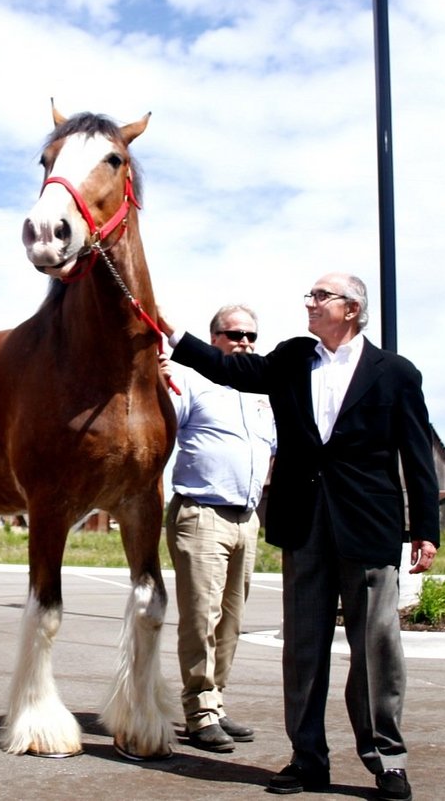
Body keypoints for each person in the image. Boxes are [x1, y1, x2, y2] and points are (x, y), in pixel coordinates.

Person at [158, 273, 439, 801]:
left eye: (320, 296)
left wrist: (425, 527)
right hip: (304, 523)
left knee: (377, 649)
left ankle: (387, 759)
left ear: (351, 309)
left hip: (370, 527)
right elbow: (228, 368)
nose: (309, 303)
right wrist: (174, 334)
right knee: (303, 650)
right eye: (310, 295)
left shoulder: (396, 373)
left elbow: (416, 455)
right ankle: (308, 759)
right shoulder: (291, 358)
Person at [163, 305, 276, 753]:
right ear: (214, 339)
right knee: (201, 620)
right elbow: (159, 431)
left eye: (251, 334)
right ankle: (199, 711)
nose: (244, 341)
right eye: (234, 334)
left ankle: (216, 702)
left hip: (247, 520)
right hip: (201, 514)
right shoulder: (190, 380)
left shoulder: (260, 393)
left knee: (231, 621)